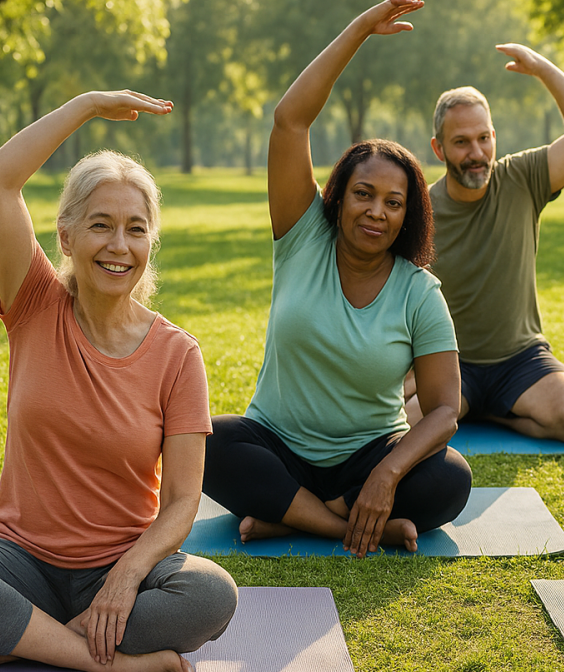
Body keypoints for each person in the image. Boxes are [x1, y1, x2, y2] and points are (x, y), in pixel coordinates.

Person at [0, 91, 238, 672]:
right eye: (100, 225)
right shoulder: (33, 304)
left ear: (150, 244)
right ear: (66, 237)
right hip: (18, 560)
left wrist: (128, 575)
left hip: (120, 563)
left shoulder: (179, 355)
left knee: (210, 595)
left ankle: (18, 641)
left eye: (135, 229)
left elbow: (180, 503)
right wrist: (88, 106)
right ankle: (105, 657)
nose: (118, 246)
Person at [202, 0, 471, 559]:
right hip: (276, 445)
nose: (376, 212)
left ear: (409, 215)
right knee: (203, 441)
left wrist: (388, 473)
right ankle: (337, 525)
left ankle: (292, 515)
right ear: (339, 197)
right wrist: (359, 31)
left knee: (451, 478)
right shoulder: (302, 239)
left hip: (369, 454)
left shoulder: (419, 292)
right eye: (364, 194)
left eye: (393, 203)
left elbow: (445, 407)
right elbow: (289, 120)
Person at [402, 40, 564, 443]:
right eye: (461, 142)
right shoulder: (419, 210)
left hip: (520, 360)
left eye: (484, 138)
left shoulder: (523, 178)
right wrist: (410, 370)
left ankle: (491, 414)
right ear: (438, 148)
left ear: (494, 136)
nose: (476, 153)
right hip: (449, 362)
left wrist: (543, 69)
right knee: (403, 426)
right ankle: (468, 405)